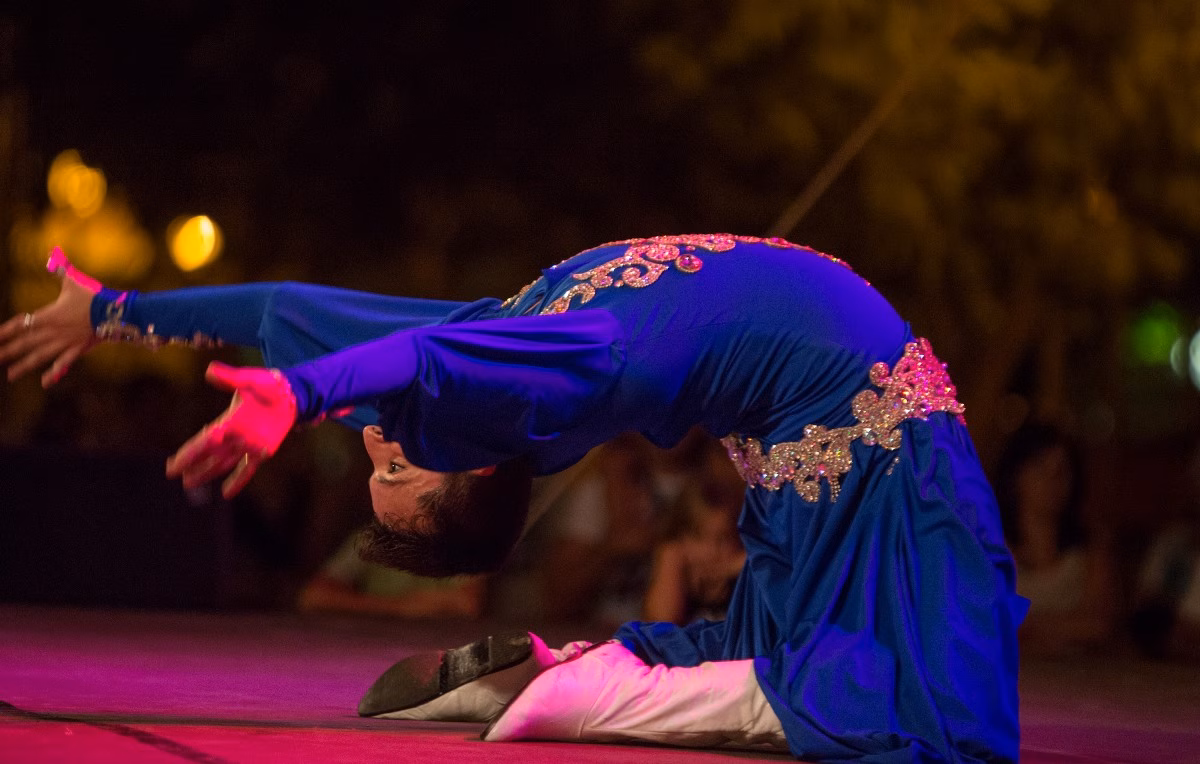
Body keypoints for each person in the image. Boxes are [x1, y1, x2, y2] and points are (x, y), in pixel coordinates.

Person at [1, 236, 1024, 762]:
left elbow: (286, 310)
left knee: (844, 661)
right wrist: (295, 394)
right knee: (920, 696)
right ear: (480, 460)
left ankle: (564, 678)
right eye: (399, 468)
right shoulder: (531, 382)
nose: (376, 441)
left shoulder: (503, 336)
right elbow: (412, 359)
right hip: (854, 401)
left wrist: (114, 311)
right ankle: (580, 693)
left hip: (834, 397)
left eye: (378, 462)